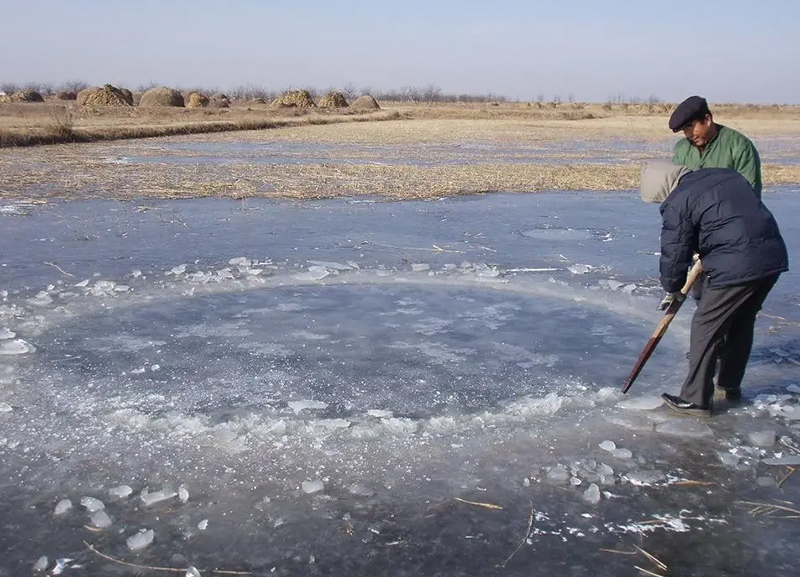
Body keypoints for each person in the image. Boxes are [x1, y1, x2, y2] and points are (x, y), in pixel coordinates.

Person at [640, 159, 788, 417]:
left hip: (736, 265)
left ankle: (696, 399)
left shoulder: (679, 200)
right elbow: (729, 219)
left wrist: (672, 287)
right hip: (771, 257)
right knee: (741, 322)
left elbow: (674, 253)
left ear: (664, 187)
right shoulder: (725, 176)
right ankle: (729, 383)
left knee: (705, 327)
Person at [670, 95, 762, 198]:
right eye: (684, 130)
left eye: (690, 126)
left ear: (707, 120)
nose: (688, 134)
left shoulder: (739, 146)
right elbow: (676, 191)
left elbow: (749, 193)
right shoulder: (681, 149)